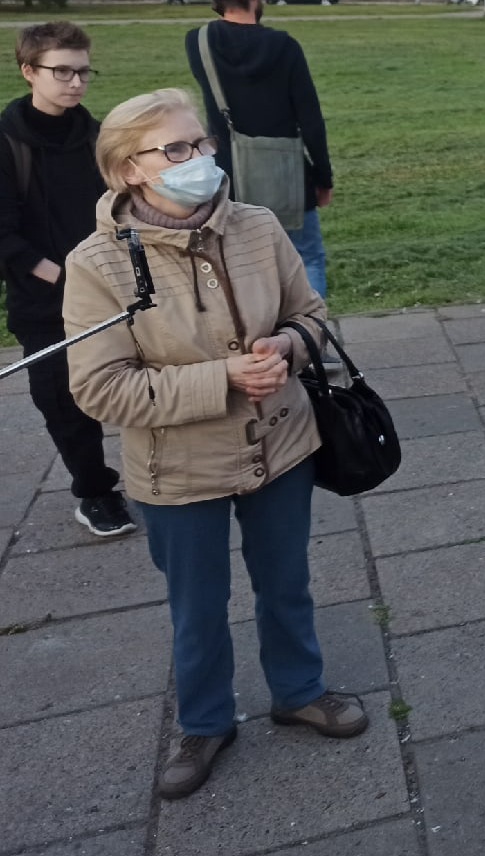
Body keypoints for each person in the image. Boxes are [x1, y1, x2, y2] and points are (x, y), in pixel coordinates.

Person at [62, 88, 367, 801]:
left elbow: (313, 315)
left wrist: (289, 348)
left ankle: (299, 688)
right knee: (196, 604)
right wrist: (222, 378)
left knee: (286, 581)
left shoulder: (256, 226)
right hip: (178, 470)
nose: (200, 159)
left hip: (281, 445)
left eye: (201, 143)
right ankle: (203, 721)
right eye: (177, 149)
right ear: (128, 169)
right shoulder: (97, 264)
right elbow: (102, 389)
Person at [0, 23, 134, 538]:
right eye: (63, 72)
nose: (76, 83)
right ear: (29, 71)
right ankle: (95, 491)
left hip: (113, 288)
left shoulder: (98, 137)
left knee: (141, 378)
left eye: (83, 71)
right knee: (62, 395)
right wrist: (61, 276)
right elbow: (4, 235)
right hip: (44, 296)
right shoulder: (7, 141)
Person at [185, 0, 334, 299]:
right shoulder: (284, 46)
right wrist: (323, 178)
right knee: (306, 257)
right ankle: (310, 339)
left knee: (244, 263)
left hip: (229, 174)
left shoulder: (198, 42)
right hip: (288, 172)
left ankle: (262, 341)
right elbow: (310, 119)